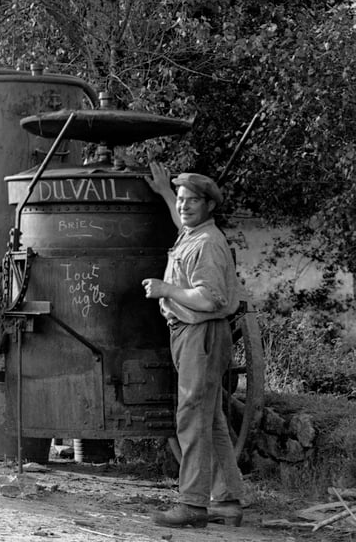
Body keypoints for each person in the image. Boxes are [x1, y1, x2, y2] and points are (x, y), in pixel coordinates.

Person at [142, 169, 245, 528]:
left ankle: (192, 505)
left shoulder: (207, 245)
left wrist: (165, 290)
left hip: (200, 333)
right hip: (194, 334)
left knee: (192, 417)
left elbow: (209, 298)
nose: (183, 206)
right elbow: (182, 219)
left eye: (191, 200)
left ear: (210, 205)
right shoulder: (194, 233)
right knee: (210, 417)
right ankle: (227, 500)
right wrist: (167, 195)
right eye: (181, 199)